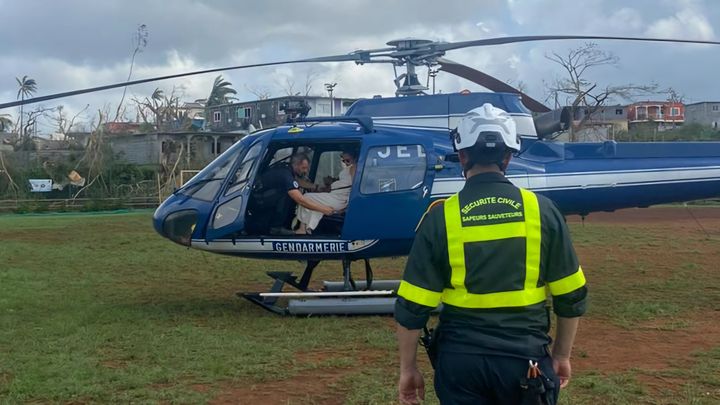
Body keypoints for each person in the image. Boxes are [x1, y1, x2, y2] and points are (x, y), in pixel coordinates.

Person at [395, 103, 588, 405]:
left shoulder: (440, 217)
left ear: (462, 156)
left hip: (461, 365)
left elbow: (413, 306)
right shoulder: (542, 211)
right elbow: (571, 295)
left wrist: (408, 369)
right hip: (526, 363)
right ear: (509, 157)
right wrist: (561, 355)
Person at [247, 153, 334, 235]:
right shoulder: (285, 174)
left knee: (291, 191)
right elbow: (300, 200)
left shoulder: (287, 168)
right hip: (259, 201)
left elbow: (296, 181)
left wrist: (316, 187)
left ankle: (285, 224)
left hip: (263, 197)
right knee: (289, 194)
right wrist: (323, 209)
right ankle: (276, 228)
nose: (305, 171)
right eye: (303, 168)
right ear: (296, 165)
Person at [294, 149, 357, 234]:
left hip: (339, 199)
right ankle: (308, 229)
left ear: (355, 158)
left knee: (306, 197)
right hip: (335, 195)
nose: (345, 162)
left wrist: (347, 207)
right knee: (314, 205)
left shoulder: (354, 167)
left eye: (348, 160)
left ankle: (302, 229)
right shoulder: (349, 168)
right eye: (343, 160)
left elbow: (355, 187)